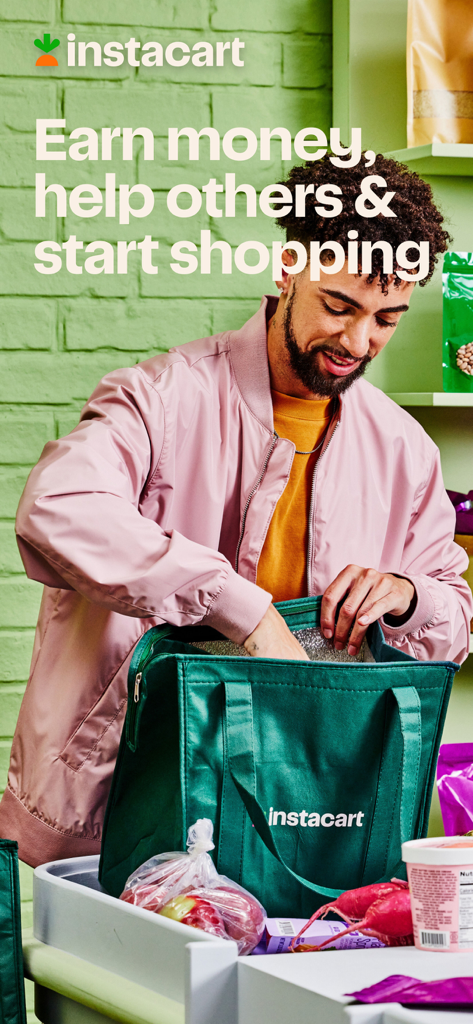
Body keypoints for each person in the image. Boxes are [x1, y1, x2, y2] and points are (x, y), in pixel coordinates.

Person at [1, 154, 471, 867]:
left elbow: (454, 616)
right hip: (130, 794)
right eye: (338, 306)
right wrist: (235, 607)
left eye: (386, 319)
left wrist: (408, 599)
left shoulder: (405, 450)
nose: (357, 342)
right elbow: (59, 508)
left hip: (303, 809)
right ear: (286, 268)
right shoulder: (159, 395)